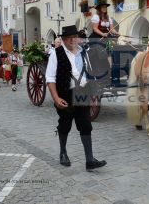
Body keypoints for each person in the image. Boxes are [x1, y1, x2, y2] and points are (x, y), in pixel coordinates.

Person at [45, 25, 106, 170]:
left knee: (85, 125)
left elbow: (88, 72)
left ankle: (89, 160)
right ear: (64, 39)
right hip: (65, 94)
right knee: (65, 125)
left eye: (75, 37)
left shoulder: (83, 52)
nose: (73, 40)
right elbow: (50, 78)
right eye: (70, 38)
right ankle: (63, 153)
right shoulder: (56, 53)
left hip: (82, 94)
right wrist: (56, 98)